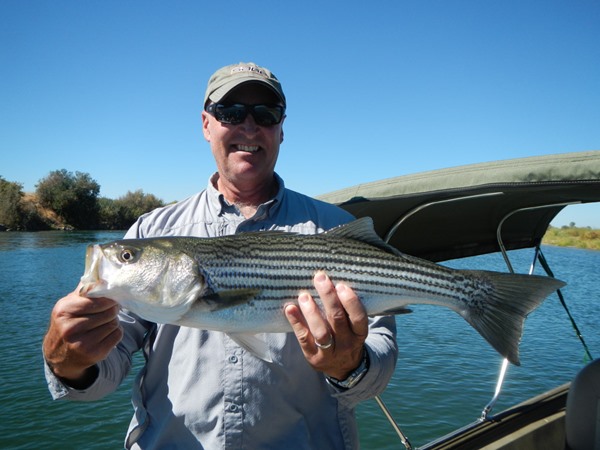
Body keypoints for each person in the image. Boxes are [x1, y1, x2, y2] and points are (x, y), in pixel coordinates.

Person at [43, 62, 398, 449]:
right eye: (230, 113)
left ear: (281, 129)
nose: (249, 126)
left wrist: (350, 367)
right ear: (206, 124)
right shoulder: (151, 229)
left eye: (265, 114)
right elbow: (102, 377)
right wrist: (69, 362)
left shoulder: (334, 227)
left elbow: (377, 365)